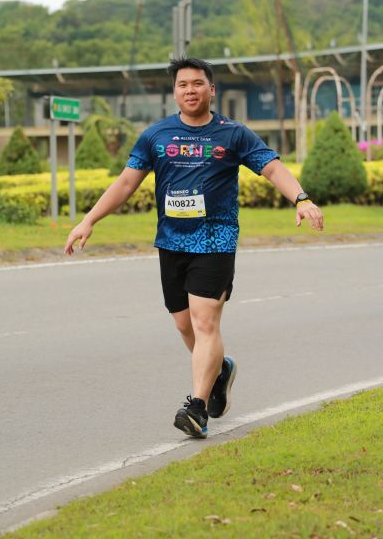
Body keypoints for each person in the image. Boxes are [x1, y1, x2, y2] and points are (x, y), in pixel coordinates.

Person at [64, 57, 323, 439]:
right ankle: (220, 370)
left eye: (198, 83)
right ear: (175, 92)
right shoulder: (157, 135)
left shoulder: (233, 134)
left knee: (204, 322)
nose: (190, 90)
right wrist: (88, 220)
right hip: (171, 242)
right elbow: (126, 183)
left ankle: (196, 408)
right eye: (183, 84)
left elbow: (271, 168)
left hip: (216, 239)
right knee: (184, 325)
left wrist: (301, 198)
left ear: (211, 90)